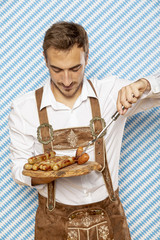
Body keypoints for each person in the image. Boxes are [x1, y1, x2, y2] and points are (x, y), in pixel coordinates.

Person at [9, 21, 160, 240]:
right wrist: (47, 173)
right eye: (57, 70)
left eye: (75, 68)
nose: (67, 80)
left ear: (86, 58)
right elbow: (17, 169)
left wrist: (144, 84)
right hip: (53, 223)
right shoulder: (25, 108)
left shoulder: (110, 93)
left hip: (110, 218)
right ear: (45, 60)